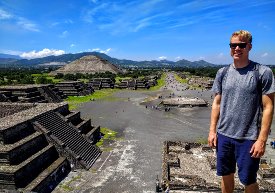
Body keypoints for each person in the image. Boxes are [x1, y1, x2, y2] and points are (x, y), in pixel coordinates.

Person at [208, 30, 275, 193]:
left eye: (241, 45)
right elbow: (216, 103)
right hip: (224, 135)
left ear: (249, 47)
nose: (237, 48)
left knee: (249, 180)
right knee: (226, 175)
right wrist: (212, 131)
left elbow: (268, 107)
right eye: (233, 45)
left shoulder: (262, 72)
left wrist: (262, 140)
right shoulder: (222, 73)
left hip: (249, 137)